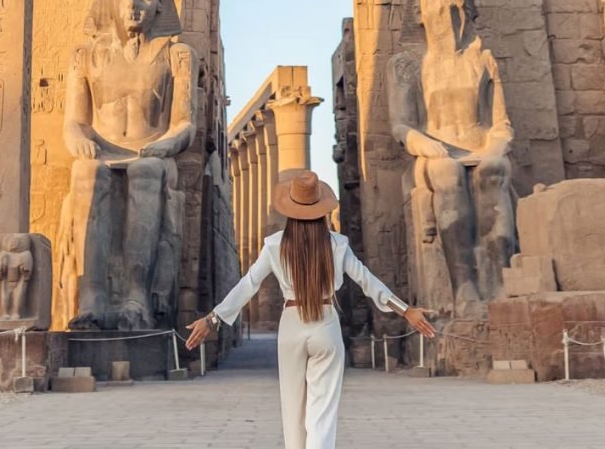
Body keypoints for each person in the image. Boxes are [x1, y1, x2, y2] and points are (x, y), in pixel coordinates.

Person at [186, 169, 436, 449]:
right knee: (322, 415)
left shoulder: (274, 245)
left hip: (290, 325)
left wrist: (213, 318)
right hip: (326, 324)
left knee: (292, 411)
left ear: (290, 210)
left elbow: (249, 284)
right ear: (321, 210)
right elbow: (367, 281)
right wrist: (405, 310)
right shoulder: (338, 244)